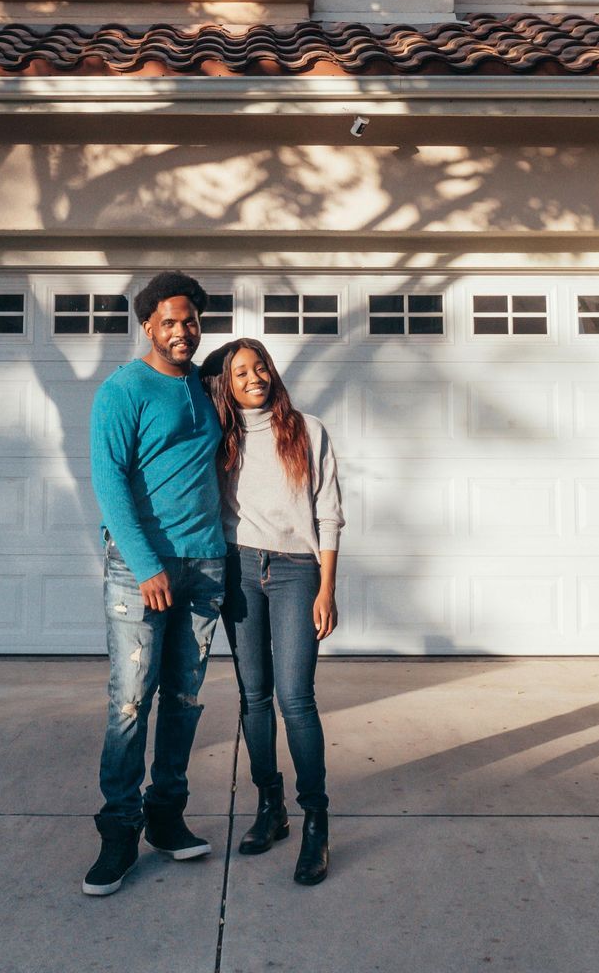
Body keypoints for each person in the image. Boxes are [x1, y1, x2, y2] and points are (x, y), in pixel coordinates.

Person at [82, 271, 227, 897]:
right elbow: (109, 483)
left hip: (205, 567)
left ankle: (167, 815)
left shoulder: (206, 383)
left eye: (190, 320)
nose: (181, 331)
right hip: (142, 569)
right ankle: (119, 830)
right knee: (130, 701)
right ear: (148, 325)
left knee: (186, 700)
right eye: (169, 321)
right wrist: (146, 567)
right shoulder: (124, 390)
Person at [211, 337, 344, 886]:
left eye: (258, 365)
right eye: (239, 372)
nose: (252, 376)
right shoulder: (220, 438)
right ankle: (272, 807)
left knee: (295, 698)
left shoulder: (308, 431)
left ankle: (316, 819)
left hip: (296, 572)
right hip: (239, 568)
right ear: (226, 385)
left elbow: (331, 513)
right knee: (253, 697)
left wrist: (327, 587)